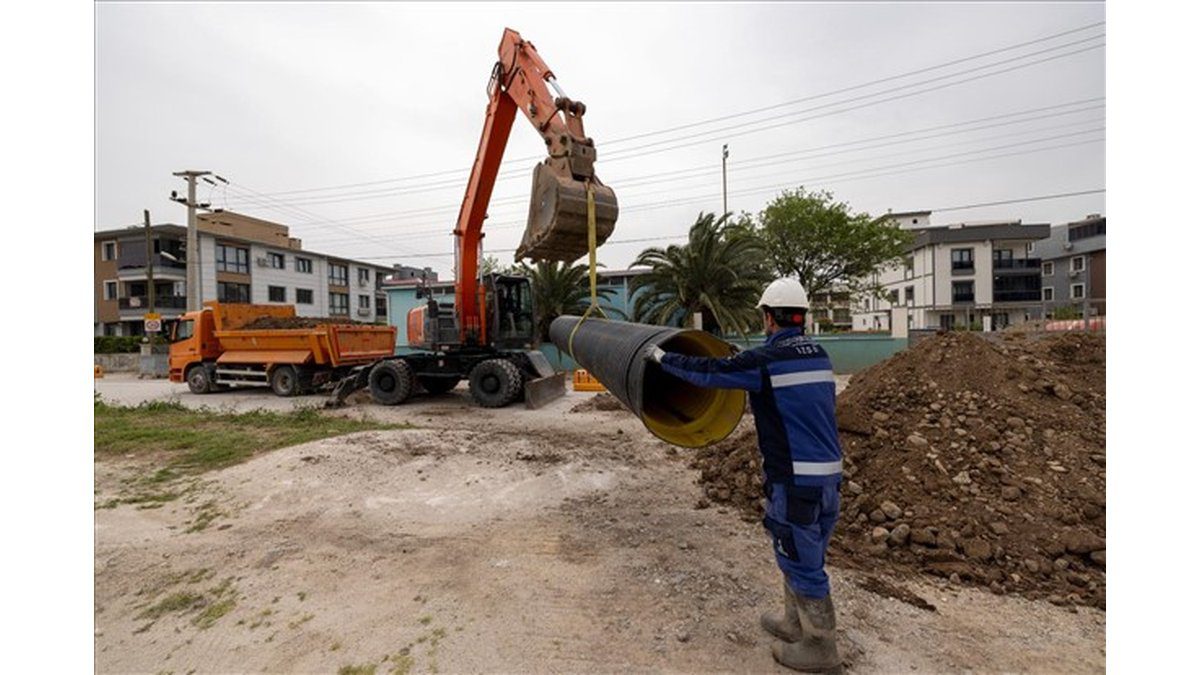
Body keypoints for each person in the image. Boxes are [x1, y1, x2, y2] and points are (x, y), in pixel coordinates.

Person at [645, 278, 843, 673]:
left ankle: (821, 648)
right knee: (805, 554)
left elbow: (710, 372)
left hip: (794, 481)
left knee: (799, 559)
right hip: (828, 479)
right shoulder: (818, 354)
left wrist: (663, 358)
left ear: (768, 318)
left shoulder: (765, 363)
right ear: (802, 317)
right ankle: (794, 624)